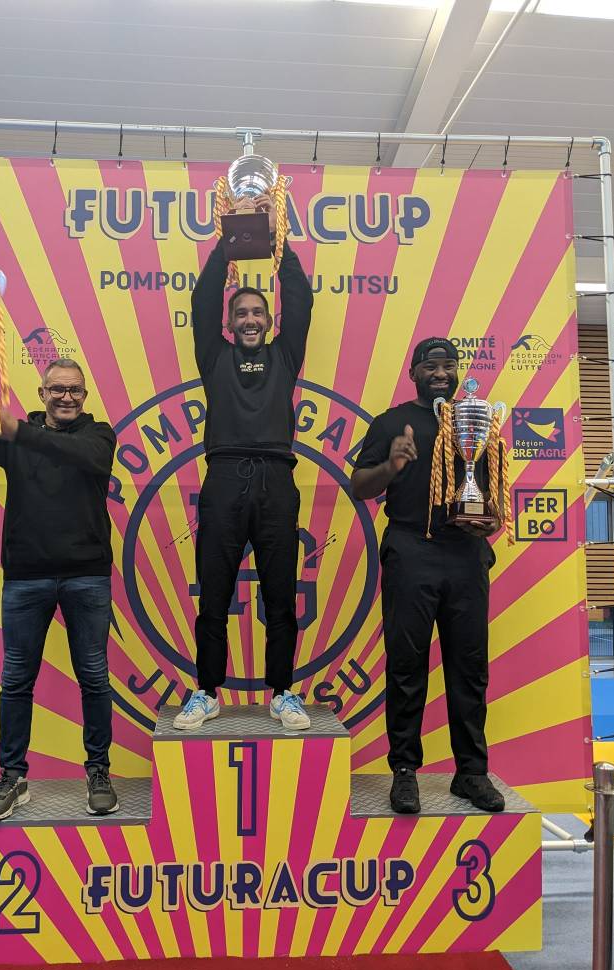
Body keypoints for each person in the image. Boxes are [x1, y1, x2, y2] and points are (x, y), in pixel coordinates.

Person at [0, 347, 119, 820]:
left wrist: (19, 430)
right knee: (17, 681)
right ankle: (12, 776)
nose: (66, 397)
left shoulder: (99, 434)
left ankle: (99, 771)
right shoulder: (17, 437)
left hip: (87, 575)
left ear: (85, 395)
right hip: (26, 576)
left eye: (74, 390)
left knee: (94, 678)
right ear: (41, 393)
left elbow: (84, 456)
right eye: (57, 389)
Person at [173, 194, 314, 731]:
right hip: (225, 478)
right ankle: (206, 691)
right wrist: (228, 242)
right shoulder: (214, 356)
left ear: (269, 320)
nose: (250, 319)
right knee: (213, 594)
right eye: (242, 313)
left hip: (277, 480)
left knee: (279, 595)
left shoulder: (285, 355)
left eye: (258, 312)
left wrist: (277, 241)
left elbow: (299, 298)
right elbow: (203, 298)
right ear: (230, 323)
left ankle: (284, 693)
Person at [350, 337, 505, 814]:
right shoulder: (391, 423)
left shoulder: (475, 418)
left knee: (470, 667)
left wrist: (489, 522)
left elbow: (491, 491)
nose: (441, 372)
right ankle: (404, 771)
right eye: (430, 365)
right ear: (413, 373)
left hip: (465, 555)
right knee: (406, 666)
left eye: (449, 365)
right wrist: (392, 464)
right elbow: (359, 487)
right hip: (411, 549)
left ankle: (471, 773)